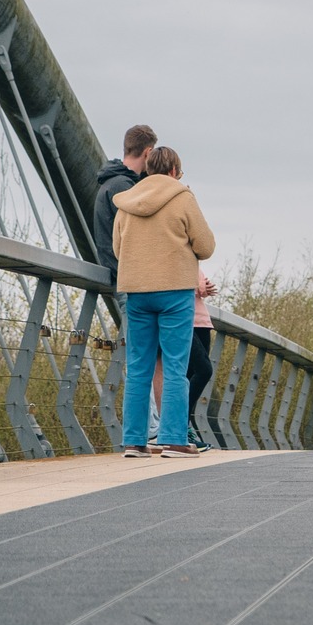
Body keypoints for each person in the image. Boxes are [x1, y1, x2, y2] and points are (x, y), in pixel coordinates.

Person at [113, 147, 216, 459]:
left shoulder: (127, 201)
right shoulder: (182, 198)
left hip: (137, 292)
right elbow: (206, 245)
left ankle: (134, 442)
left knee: (140, 367)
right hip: (174, 291)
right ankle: (172, 440)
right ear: (174, 171)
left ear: (147, 170)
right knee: (175, 365)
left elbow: (118, 248)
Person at [92, 124, 158, 281]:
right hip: (127, 276)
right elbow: (139, 230)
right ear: (148, 152)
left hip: (120, 272)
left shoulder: (112, 182)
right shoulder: (122, 186)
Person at [185, 269, 220, 449]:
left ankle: (185, 429)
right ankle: (180, 425)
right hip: (183, 319)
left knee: (190, 375)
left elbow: (200, 284)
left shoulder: (193, 255)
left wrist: (202, 286)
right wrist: (198, 286)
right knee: (203, 370)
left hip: (202, 321)